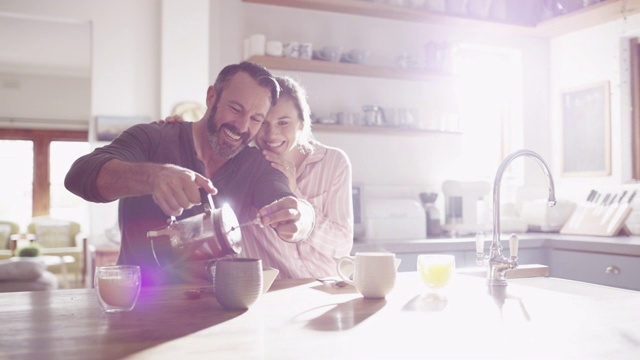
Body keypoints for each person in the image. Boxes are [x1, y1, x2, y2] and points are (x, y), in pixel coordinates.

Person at [65, 62, 315, 286]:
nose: (241, 127)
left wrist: (299, 217)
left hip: (215, 309)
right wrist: (154, 177)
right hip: (138, 305)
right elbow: (79, 176)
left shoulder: (256, 165)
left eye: (255, 119)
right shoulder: (154, 138)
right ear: (211, 96)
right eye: (235, 109)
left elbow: (280, 195)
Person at [165, 76, 354, 279]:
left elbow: (342, 246)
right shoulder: (241, 163)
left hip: (325, 287)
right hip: (272, 293)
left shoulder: (333, 162)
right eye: (262, 122)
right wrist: (179, 133)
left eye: (283, 122)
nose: (272, 134)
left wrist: (294, 193)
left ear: (301, 123)